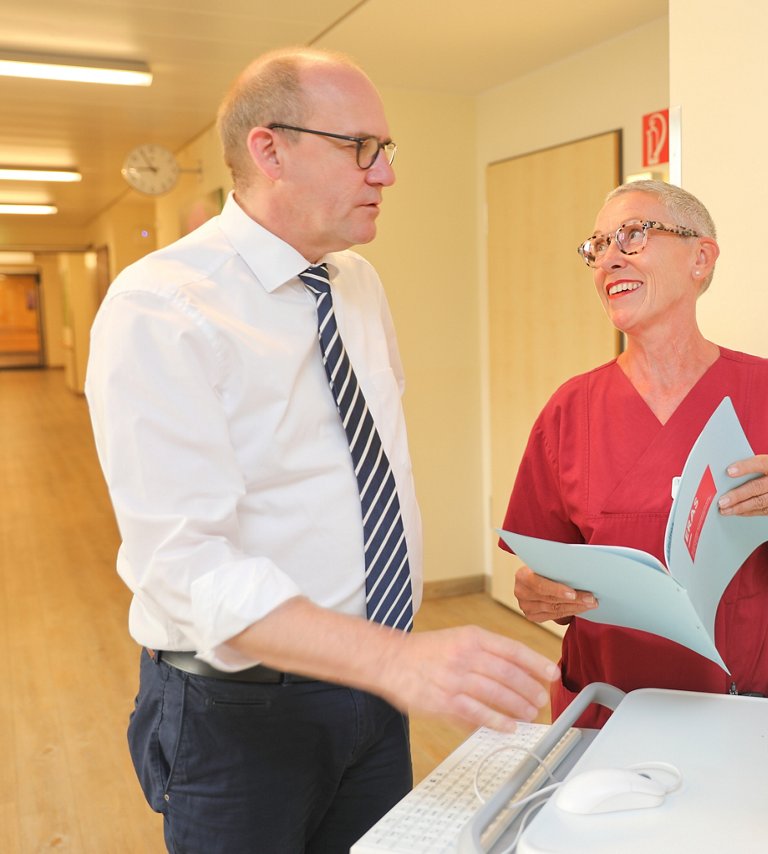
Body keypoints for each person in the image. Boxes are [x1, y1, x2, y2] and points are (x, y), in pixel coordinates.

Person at [85, 47, 557, 853]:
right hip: (242, 717)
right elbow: (186, 566)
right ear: (270, 149)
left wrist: (387, 668)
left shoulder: (356, 285)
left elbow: (360, 470)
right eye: (360, 147)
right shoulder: (160, 308)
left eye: (388, 150)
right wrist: (396, 661)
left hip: (371, 693)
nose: (386, 174)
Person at [501, 180, 768, 729]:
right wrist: (537, 594)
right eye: (597, 246)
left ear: (700, 257)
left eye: (631, 236)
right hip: (609, 710)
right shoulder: (569, 410)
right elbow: (542, 579)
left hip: (745, 705)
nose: (607, 260)